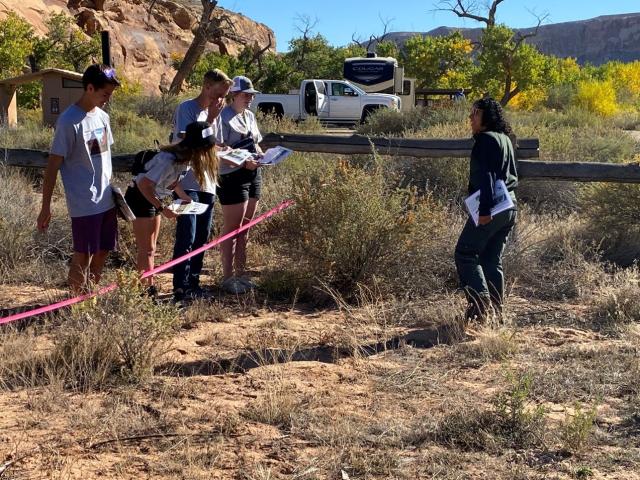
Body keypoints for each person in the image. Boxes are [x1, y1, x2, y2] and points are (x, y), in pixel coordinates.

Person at [37, 64, 121, 293]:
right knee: (83, 254)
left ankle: (89, 295)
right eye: (105, 94)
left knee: (103, 249)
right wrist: (46, 207)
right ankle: (76, 302)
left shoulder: (103, 117)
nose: (107, 99)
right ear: (90, 88)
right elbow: (53, 166)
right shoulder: (69, 121)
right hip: (84, 201)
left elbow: (102, 155)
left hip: (106, 198)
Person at [125, 121, 219, 297]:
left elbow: (173, 181)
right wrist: (162, 208)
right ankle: (142, 290)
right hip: (140, 197)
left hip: (153, 197)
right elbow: (144, 184)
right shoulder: (167, 160)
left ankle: (148, 287)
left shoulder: (186, 159)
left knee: (151, 248)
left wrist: (183, 197)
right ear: (195, 147)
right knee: (145, 249)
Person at [170, 69, 233, 302]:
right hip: (187, 183)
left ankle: (193, 283)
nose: (220, 100)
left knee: (201, 238)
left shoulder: (213, 112)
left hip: (208, 182)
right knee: (187, 235)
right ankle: (180, 286)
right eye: (218, 93)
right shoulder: (187, 108)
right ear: (206, 87)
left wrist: (227, 150)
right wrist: (210, 119)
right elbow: (187, 142)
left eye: (224, 95)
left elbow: (209, 145)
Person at [454, 97, 518, 321]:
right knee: (491, 260)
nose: (470, 117)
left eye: (475, 113)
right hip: (510, 206)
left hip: (492, 206)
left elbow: (488, 177)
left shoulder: (485, 140)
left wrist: (484, 211)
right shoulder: (505, 139)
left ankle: (480, 305)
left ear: (487, 117)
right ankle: (497, 314)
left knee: (465, 253)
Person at [216, 75, 264, 294]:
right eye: (246, 95)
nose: (249, 99)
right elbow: (218, 151)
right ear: (234, 95)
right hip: (232, 176)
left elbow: (256, 144)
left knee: (245, 227)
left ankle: (241, 274)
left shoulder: (250, 116)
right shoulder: (222, 116)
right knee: (231, 228)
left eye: (251, 95)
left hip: (252, 174)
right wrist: (243, 161)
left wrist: (264, 157)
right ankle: (227, 277)